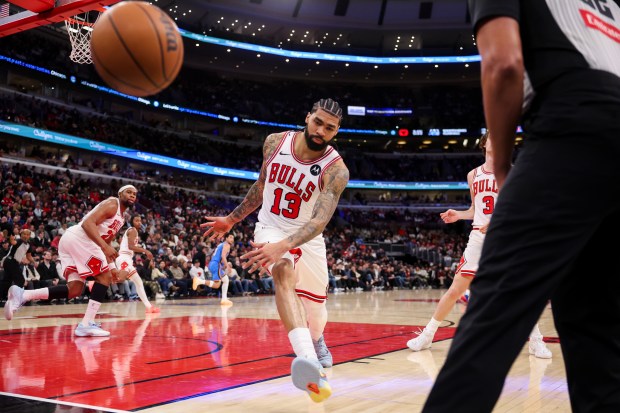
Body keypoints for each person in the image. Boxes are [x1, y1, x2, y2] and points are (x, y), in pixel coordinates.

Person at [422, 1, 620, 412]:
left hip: (573, 121)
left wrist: (502, 165)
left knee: (493, 315)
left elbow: (504, 63)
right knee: (598, 332)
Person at [201, 98, 350, 403]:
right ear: (307, 117)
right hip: (270, 227)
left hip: (307, 238)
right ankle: (307, 360)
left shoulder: (336, 170)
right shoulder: (274, 142)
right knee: (282, 273)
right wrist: (232, 219)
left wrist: (285, 245)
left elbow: (320, 221)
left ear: (336, 132)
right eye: (317, 122)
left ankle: (317, 338)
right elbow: (261, 186)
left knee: (316, 311)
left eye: (329, 127)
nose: (321, 130)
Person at [406, 132, 551, 359]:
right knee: (455, 290)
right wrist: (458, 215)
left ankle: (535, 341)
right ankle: (427, 335)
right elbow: (476, 210)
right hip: (478, 238)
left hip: (505, 238)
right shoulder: (473, 175)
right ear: (484, 143)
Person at [4, 185, 137, 337]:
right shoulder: (113, 203)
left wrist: (113, 268)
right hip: (81, 239)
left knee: (74, 289)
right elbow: (88, 224)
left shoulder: (120, 218)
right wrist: (105, 252)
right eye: (129, 192)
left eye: (134, 194)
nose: (132, 195)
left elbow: (106, 243)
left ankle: (23, 295)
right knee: (103, 277)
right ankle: (86, 324)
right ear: (120, 193)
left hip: (71, 241)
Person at [115, 215, 159, 313]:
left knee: (138, 282)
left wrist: (139, 247)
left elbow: (130, 245)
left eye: (140, 220)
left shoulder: (134, 232)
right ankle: (97, 279)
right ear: (132, 221)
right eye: (136, 220)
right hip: (124, 258)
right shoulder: (133, 230)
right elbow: (130, 247)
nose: (139, 222)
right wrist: (145, 251)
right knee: (120, 279)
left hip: (127, 259)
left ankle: (148, 307)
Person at [193, 233, 234, 306]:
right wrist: (227, 266)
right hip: (215, 264)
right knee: (217, 285)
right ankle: (199, 281)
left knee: (225, 280)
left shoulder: (221, 245)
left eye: (233, 238)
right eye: (230, 237)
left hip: (213, 263)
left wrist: (222, 265)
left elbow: (218, 256)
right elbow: (223, 256)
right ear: (226, 238)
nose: (232, 239)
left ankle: (224, 299)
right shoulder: (227, 245)